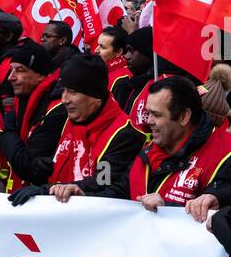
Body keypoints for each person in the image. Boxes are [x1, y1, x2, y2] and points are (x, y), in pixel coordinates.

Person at [8, 53, 145, 204]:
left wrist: (52, 189)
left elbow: (102, 180)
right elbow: (63, 159)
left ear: (96, 96)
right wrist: (43, 166)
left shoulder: (122, 134)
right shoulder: (73, 119)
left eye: (73, 92)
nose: (65, 99)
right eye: (63, 90)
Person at [105, 75, 231, 211]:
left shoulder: (224, 156)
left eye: (157, 114)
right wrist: (86, 198)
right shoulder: (151, 148)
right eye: (148, 113)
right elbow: (121, 190)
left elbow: (220, 215)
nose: (148, 121)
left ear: (184, 117)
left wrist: (166, 208)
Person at [0, 39, 64, 192]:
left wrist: (7, 130)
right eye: (11, 70)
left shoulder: (57, 109)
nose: (10, 77)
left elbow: (26, 165)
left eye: (20, 70)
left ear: (41, 75)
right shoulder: (21, 101)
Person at [95, 25, 133, 102]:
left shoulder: (121, 81)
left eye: (102, 47)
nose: (96, 50)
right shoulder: (103, 70)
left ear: (119, 52)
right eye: (98, 45)